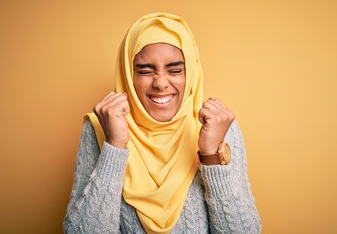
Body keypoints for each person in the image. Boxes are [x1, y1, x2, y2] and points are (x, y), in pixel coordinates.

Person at [63, 12, 261, 234]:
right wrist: (115, 147)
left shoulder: (220, 128)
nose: (160, 83)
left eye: (175, 70)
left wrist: (211, 156)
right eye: (145, 71)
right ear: (128, 75)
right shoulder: (102, 128)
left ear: (192, 73)